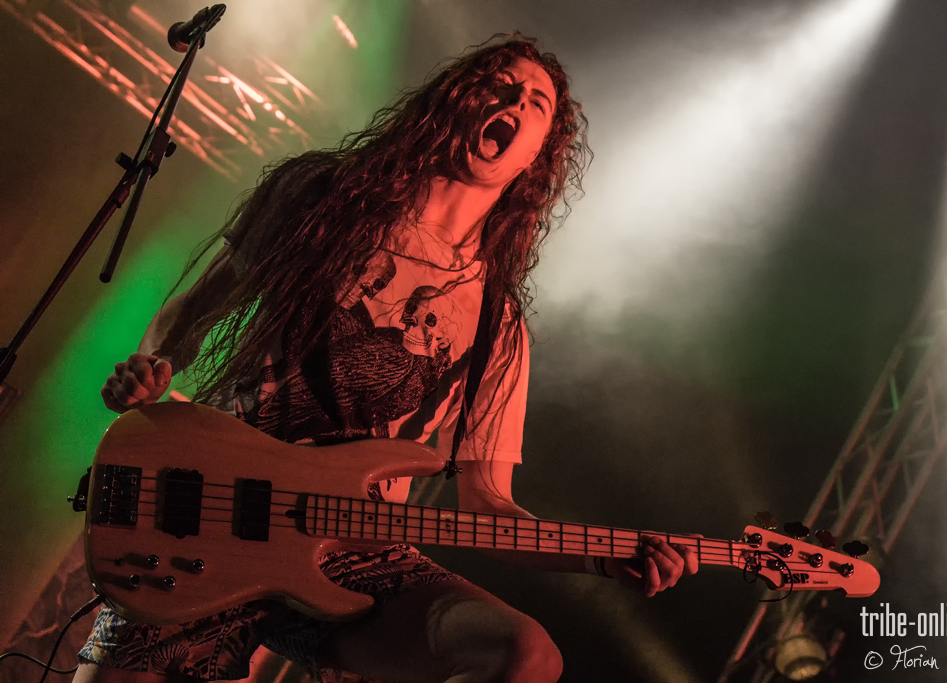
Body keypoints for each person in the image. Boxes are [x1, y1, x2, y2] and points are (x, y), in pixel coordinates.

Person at [74, 36, 697, 683]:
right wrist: (155, 368)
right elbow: (192, 309)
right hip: (216, 514)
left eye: (536, 101)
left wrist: (605, 557)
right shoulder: (318, 195)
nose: (514, 99)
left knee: (523, 654)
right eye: (499, 83)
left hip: (355, 555)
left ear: (539, 152)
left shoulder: (496, 326)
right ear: (454, 98)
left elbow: (489, 504)